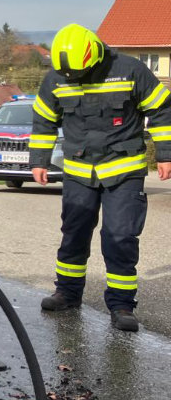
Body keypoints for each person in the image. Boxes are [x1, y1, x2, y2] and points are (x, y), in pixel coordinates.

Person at [31, 23, 171, 332]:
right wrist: (39, 161)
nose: (73, 80)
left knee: (120, 237)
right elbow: (43, 119)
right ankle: (67, 293)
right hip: (79, 172)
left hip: (123, 171)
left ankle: (121, 305)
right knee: (74, 233)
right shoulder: (58, 77)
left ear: (93, 55)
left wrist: (165, 153)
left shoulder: (130, 70)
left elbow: (161, 110)